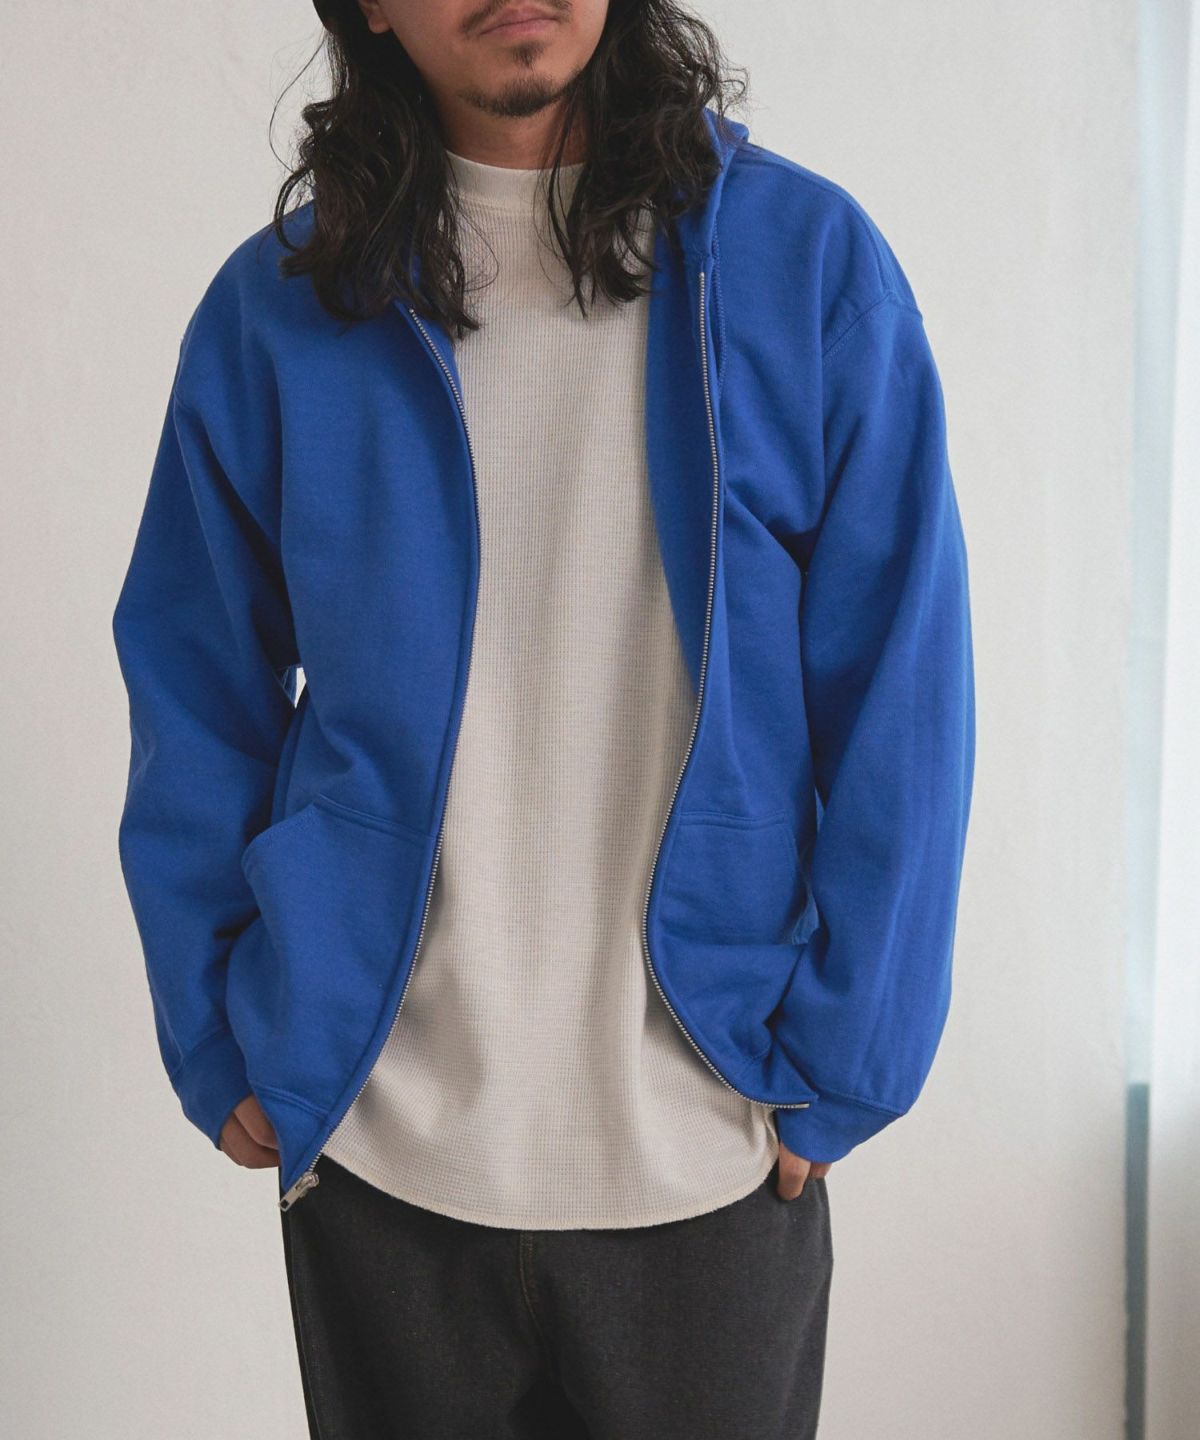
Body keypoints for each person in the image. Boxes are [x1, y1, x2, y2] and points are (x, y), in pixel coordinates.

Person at [111, 0, 975, 1434]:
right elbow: (195, 674)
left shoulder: (804, 265)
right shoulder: (283, 305)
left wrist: (846, 1061)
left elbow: (902, 686)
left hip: (707, 1146)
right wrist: (218, 1028)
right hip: (386, 1154)